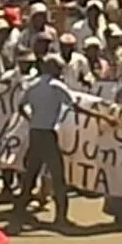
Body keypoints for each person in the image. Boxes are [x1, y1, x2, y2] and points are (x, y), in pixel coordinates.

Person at [13, 54, 74, 229]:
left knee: (30, 174)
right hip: (47, 134)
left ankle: (19, 211)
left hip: (35, 132)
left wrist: (31, 119)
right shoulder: (57, 86)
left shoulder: (32, 85)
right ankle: (61, 217)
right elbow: (74, 105)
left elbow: (20, 106)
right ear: (52, 68)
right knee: (57, 176)